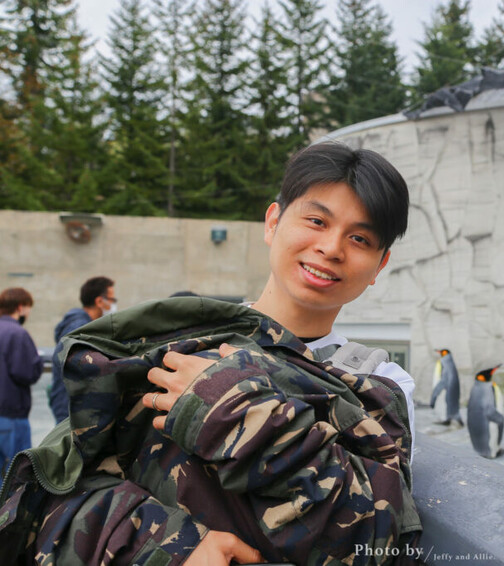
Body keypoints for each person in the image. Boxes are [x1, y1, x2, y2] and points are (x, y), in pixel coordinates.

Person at [0, 142, 421, 565]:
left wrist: (233, 408)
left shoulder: (381, 385)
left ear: (379, 265)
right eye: (316, 220)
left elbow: (376, 539)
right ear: (273, 222)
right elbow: (53, 492)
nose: (331, 247)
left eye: (359, 238)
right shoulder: (173, 342)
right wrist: (170, 550)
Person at [48, 276, 116, 422]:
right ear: (99, 301)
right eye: (111, 300)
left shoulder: (82, 326)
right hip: (71, 407)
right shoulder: (79, 329)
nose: (112, 305)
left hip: (71, 405)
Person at [0, 287, 44, 473]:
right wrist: (38, 360)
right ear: (20, 307)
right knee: (16, 475)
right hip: (11, 415)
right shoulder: (17, 334)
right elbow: (25, 373)